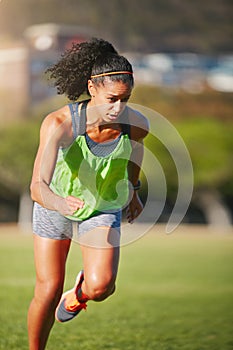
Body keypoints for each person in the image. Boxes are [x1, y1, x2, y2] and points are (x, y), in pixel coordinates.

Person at [28, 38, 149, 350]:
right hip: (54, 207)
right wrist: (59, 202)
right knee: (49, 288)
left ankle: (78, 294)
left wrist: (133, 189)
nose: (118, 108)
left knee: (102, 286)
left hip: (101, 207)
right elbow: (37, 185)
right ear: (92, 88)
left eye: (125, 99)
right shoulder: (59, 123)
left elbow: (136, 151)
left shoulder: (136, 124)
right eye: (112, 98)